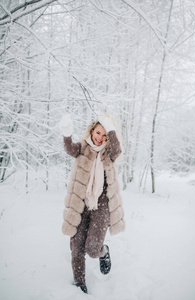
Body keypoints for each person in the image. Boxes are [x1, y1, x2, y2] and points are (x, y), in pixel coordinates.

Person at [59, 113, 125, 294]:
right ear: (91, 131)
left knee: (93, 248)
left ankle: (104, 252)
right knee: (77, 247)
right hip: (81, 204)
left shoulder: (109, 154)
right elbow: (70, 148)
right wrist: (67, 133)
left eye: (104, 135)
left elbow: (118, 150)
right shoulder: (82, 148)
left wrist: (110, 128)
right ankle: (80, 284)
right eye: (98, 133)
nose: (100, 138)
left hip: (101, 207)